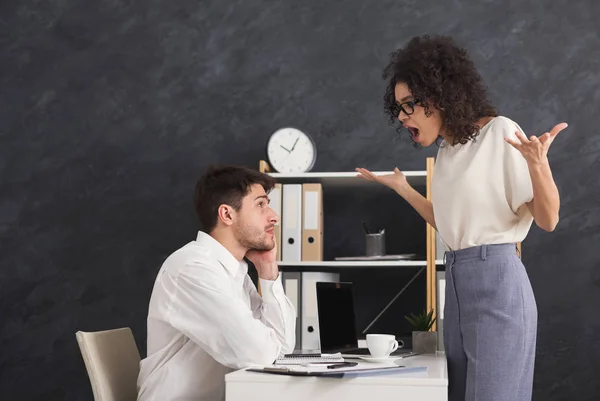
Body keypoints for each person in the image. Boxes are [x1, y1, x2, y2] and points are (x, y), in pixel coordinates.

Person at [356, 35, 565, 401]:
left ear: (437, 97)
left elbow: (548, 219)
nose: (403, 117)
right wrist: (404, 189)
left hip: (497, 284)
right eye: (399, 109)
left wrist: (537, 165)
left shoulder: (499, 132)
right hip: (456, 282)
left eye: (409, 105)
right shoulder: (447, 151)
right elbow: (452, 225)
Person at [137, 165, 296, 401]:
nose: (274, 216)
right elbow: (258, 354)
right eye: (261, 205)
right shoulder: (193, 268)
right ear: (227, 214)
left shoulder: (234, 270)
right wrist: (266, 345)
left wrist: (268, 272)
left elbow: (282, 349)